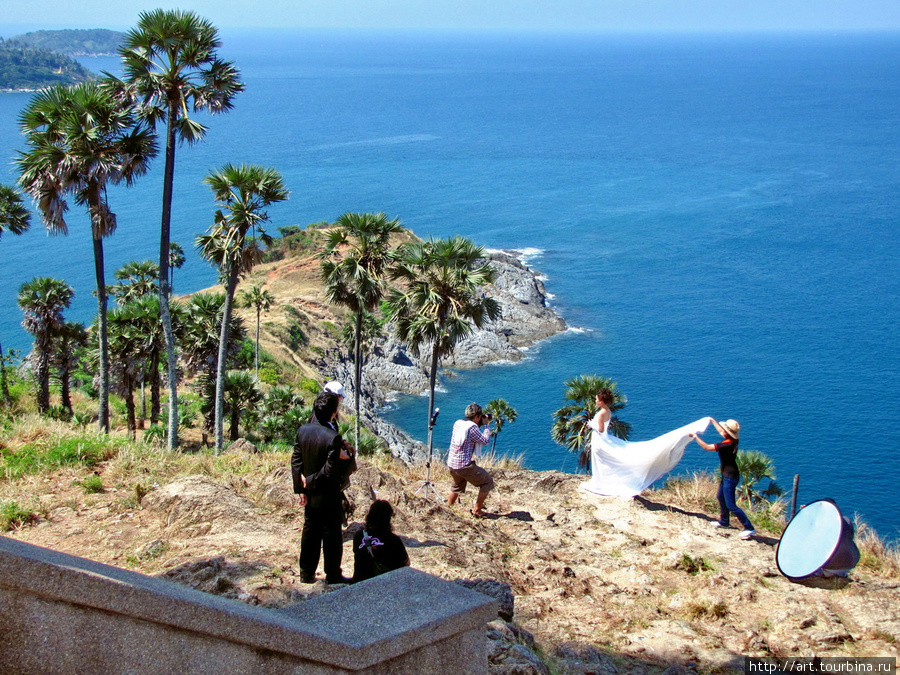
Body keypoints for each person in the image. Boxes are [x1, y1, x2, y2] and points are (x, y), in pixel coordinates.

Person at [582, 388, 710, 497]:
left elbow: (600, 429)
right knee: (605, 462)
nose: (595, 400)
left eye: (596, 398)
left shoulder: (600, 414)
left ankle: (601, 483)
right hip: (605, 438)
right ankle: (604, 482)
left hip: (600, 440)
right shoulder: (608, 411)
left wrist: (591, 424)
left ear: (601, 401)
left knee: (602, 462)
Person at [291, 391, 357, 584]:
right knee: (332, 534)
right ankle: (333, 574)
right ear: (333, 412)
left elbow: (296, 461)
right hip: (327, 492)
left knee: (310, 531)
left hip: (310, 495)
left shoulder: (303, 430)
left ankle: (306, 573)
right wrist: (308, 482)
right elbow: (329, 471)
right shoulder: (332, 437)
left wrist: (301, 488)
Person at [690, 418, 756, 540]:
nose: (723, 431)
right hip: (728, 475)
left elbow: (707, 447)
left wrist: (695, 437)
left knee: (731, 505)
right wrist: (712, 420)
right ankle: (724, 521)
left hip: (730, 476)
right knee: (720, 497)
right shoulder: (734, 439)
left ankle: (749, 528)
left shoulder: (726, 444)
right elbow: (721, 431)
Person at [446, 403, 495, 518]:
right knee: (487, 482)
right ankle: (477, 510)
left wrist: (479, 423)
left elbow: (468, 435)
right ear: (477, 416)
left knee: (457, 485)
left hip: (452, 464)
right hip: (463, 466)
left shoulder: (457, 423)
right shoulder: (472, 427)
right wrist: (486, 426)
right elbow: (485, 441)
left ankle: (448, 507)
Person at [351, 499, 410, 584]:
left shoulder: (359, 536)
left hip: (358, 584)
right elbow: (405, 564)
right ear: (388, 519)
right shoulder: (393, 540)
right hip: (382, 585)